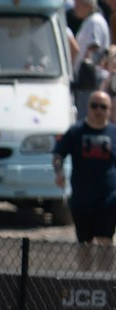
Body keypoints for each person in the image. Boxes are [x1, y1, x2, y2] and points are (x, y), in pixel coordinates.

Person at [53, 90, 116, 254]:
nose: (98, 110)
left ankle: (103, 280)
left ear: (109, 110)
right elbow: (58, 155)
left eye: (103, 106)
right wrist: (59, 173)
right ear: (88, 107)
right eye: (94, 105)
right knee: (84, 245)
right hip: (82, 198)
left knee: (105, 243)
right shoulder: (76, 131)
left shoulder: (114, 133)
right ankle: (83, 279)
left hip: (108, 199)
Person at [69, 0, 111, 115]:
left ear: (85, 5)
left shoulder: (95, 22)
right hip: (88, 78)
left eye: (77, 4)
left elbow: (93, 48)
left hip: (90, 79)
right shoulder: (90, 20)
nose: (74, 8)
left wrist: (86, 68)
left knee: (85, 113)